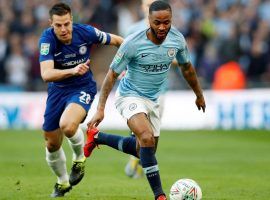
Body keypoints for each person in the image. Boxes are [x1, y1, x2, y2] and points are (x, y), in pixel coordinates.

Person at [84, 1, 205, 200]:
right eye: (157, 22)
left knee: (144, 151)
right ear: (149, 20)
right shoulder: (132, 42)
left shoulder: (176, 39)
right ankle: (160, 196)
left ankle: (98, 138)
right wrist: (100, 109)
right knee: (146, 137)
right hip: (129, 95)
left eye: (167, 22)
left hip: (154, 99)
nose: (162, 27)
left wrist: (199, 94)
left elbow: (187, 68)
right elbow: (111, 75)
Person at [38, 3, 123, 197]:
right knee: (51, 144)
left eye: (66, 24)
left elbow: (118, 40)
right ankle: (62, 182)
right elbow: (46, 74)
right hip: (57, 91)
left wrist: (133, 58)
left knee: (68, 126)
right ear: (51, 24)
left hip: (82, 87)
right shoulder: (47, 39)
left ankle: (79, 158)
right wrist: (73, 70)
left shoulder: (86, 32)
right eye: (58, 25)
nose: (63, 29)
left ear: (72, 20)